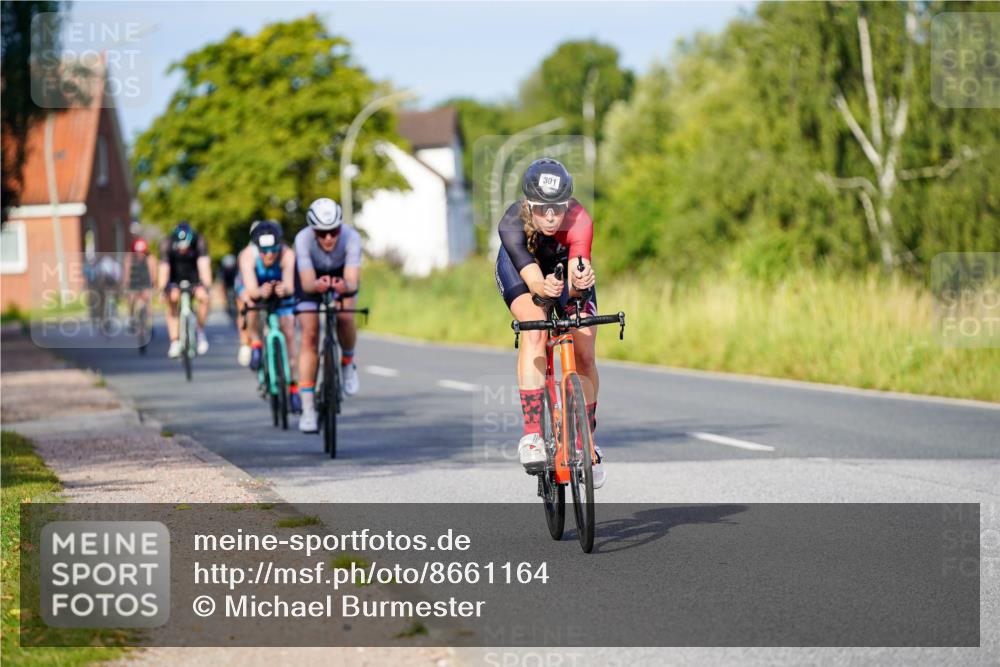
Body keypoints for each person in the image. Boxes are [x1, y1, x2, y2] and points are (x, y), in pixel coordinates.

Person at [494, 158, 605, 488]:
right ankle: (531, 435)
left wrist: (579, 282)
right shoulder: (512, 222)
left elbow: (577, 270)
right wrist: (543, 287)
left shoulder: (580, 218)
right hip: (522, 270)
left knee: (584, 344)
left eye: (559, 206)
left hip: (562, 267)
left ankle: (586, 437)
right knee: (535, 327)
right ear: (528, 204)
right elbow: (534, 282)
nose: (553, 216)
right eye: (543, 208)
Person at [294, 197, 362, 433]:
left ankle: (347, 363)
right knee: (310, 336)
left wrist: (344, 286)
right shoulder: (302, 239)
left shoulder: (352, 237)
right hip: (311, 279)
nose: (329, 238)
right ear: (313, 231)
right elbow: (306, 282)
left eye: (333, 231)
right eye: (322, 233)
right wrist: (317, 285)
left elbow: (353, 281)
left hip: (341, 275)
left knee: (345, 316)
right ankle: (308, 409)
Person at [236, 220, 301, 413]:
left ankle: (293, 388)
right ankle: (255, 343)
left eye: (273, 249)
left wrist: (284, 289)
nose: (269, 255)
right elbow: (251, 289)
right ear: (257, 248)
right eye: (264, 251)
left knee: (288, 330)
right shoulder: (247, 256)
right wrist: (259, 292)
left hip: (278, 287)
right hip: (254, 287)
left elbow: (290, 285)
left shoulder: (288, 254)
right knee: (250, 303)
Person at [158, 222, 212, 358]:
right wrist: (162, 290)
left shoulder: (199, 241)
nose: (183, 249)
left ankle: (200, 331)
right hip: (175, 278)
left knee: (204, 298)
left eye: (186, 246)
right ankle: (174, 341)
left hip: (194, 277)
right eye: (180, 246)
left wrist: (206, 286)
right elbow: (164, 269)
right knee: (172, 298)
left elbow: (204, 266)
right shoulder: (167, 244)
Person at [125, 237, 155, 332]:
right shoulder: (130, 257)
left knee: (148, 299)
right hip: (134, 282)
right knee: (131, 299)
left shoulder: (150, 257)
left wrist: (153, 283)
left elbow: (153, 272)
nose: (140, 254)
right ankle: (131, 318)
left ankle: (149, 323)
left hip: (146, 281)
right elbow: (127, 271)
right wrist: (126, 283)